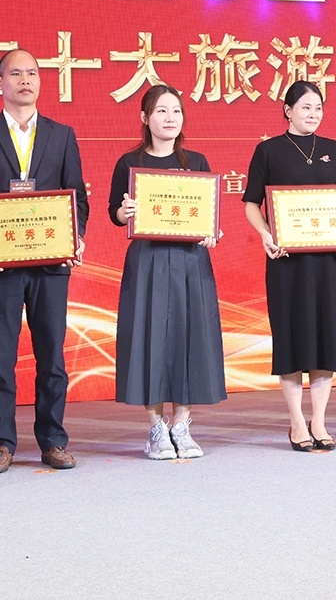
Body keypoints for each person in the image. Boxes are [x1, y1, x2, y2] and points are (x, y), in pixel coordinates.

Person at [0, 48, 90, 473]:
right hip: (0, 266)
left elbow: (77, 198)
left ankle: (53, 441)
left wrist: (76, 237)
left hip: (51, 264)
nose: (25, 80)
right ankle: (2, 444)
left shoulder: (62, 135)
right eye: (15, 73)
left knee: (52, 357)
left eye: (32, 72)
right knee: (0, 358)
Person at [245, 81, 336, 452]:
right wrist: (266, 234)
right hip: (286, 263)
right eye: (305, 107)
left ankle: (320, 421)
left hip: (329, 261)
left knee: (327, 337)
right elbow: (251, 203)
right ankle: (297, 422)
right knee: (291, 338)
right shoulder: (268, 150)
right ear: (287, 110)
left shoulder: (334, 149)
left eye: (318, 108)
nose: (313, 114)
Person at [111, 84, 226, 459]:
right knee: (150, 339)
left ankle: (182, 426)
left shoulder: (197, 162)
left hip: (190, 262)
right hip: (148, 262)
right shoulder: (129, 163)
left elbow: (209, 216)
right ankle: (156, 428)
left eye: (176, 111)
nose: (170, 118)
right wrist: (124, 212)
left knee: (188, 337)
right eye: (161, 111)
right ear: (145, 118)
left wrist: (212, 231)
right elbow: (115, 213)